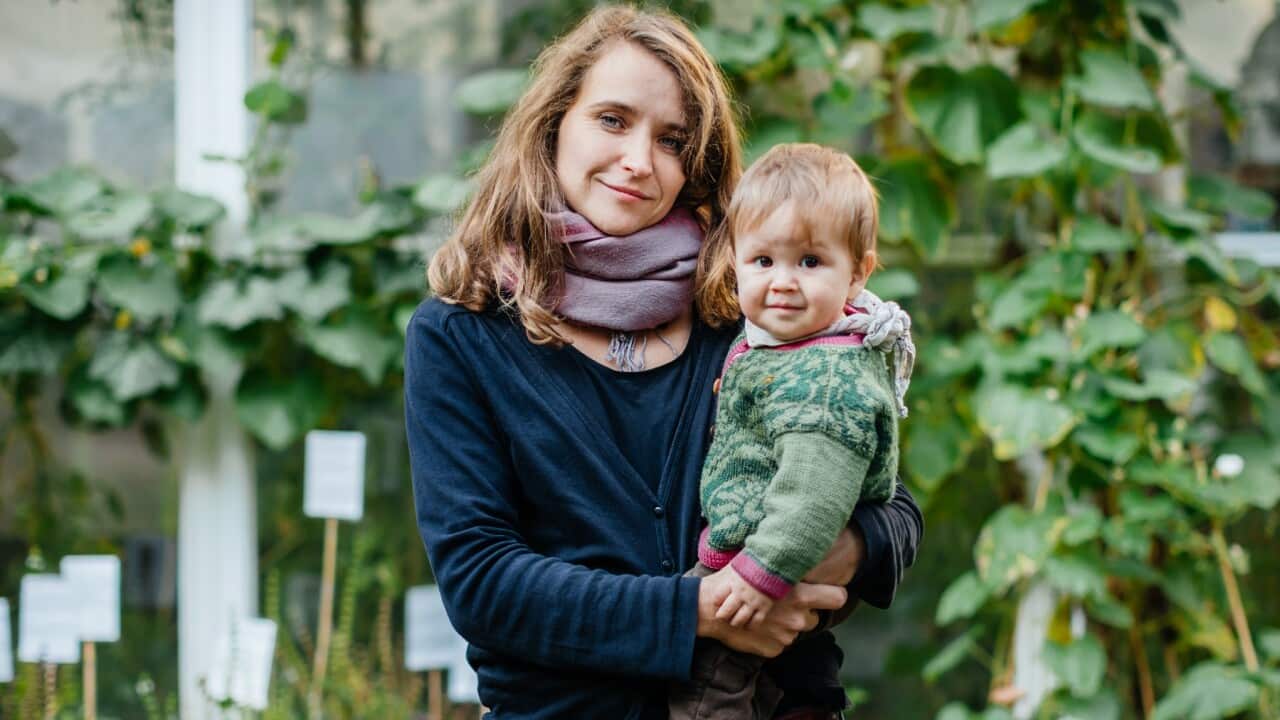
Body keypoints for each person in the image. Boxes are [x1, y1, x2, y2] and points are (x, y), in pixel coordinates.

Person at [404, 7, 922, 719]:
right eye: (613, 120)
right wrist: (699, 611)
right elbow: (483, 582)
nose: (640, 161)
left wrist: (838, 550)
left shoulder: (752, 305)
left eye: (673, 140)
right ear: (555, 123)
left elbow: (891, 503)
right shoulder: (460, 334)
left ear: (698, 164)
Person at [668, 143, 915, 720]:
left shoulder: (825, 377)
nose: (782, 282)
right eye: (763, 262)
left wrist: (756, 579)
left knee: (707, 686)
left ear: (858, 273)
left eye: (809, 262)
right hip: (769, 550)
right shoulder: (776, 342)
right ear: (733, 259)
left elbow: (814, 493)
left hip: (772, 556)